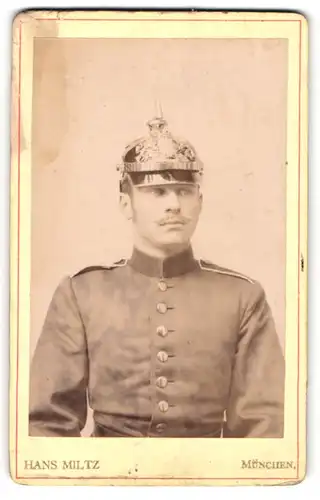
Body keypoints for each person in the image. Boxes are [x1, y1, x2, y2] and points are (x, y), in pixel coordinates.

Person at [29, 113, 285, 438]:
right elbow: (45, 424)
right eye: (158, 192)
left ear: (200, 202)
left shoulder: (243, 297)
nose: (175, 205)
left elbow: (265, 428)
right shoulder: (81, 293)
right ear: (126, 204)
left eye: (184, 191)